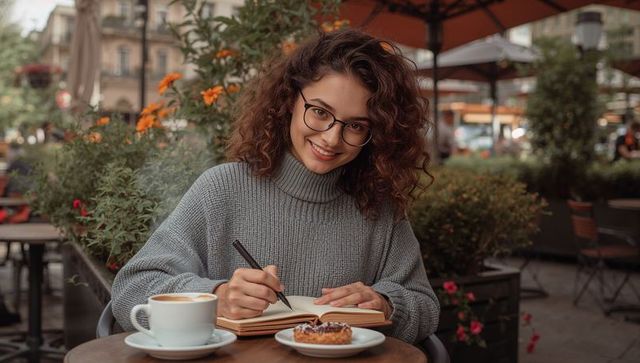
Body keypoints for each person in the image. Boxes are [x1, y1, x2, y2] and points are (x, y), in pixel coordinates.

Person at [111, 29, 440, 344]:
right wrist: (216, 297)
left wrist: (386, 304)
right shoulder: (222, 189)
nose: (331, 137)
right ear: (289, 101)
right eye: (320, 112)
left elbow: (425, 306)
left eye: (355, 126)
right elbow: (132, 288)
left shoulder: (378, 209)